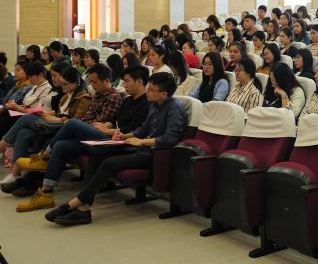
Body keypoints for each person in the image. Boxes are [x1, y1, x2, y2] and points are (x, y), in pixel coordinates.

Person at [42, 72, 186, 226]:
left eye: (151, 90)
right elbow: (142, 130)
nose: (147, 92)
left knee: (110, 163)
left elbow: (170, 139)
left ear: (164, 93)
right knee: (97, 155)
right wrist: (124, 136)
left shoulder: (175, 109)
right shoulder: (155, 105)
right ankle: (84, 208)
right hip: (139, 148)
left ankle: (74, 204)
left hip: (155, 154)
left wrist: (142, 142)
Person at [12, 64, 151, 212]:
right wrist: (106, 126)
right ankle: (46, 193)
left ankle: (44, 155)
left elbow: (134, 131)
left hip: (119, 141)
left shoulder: (146, 104)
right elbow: (114, 120)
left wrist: (107, 130)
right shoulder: (128, 101)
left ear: (139, 81)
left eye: (127, 81)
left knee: (72, 123)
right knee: (61, 146)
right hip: (106, 134)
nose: (124, 84)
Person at [0, 62, 54, 138]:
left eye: (31, 76)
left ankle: (4, 140)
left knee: (7, 114)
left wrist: (18, 108)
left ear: (40, 75)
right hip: (24, 111)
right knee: (6, 112)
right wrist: (16, 107)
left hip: (34, 115)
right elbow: (26, 103)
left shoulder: (48, 89)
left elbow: (39, 110)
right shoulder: (35, 86)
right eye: (29, 76)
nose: (30, 79)